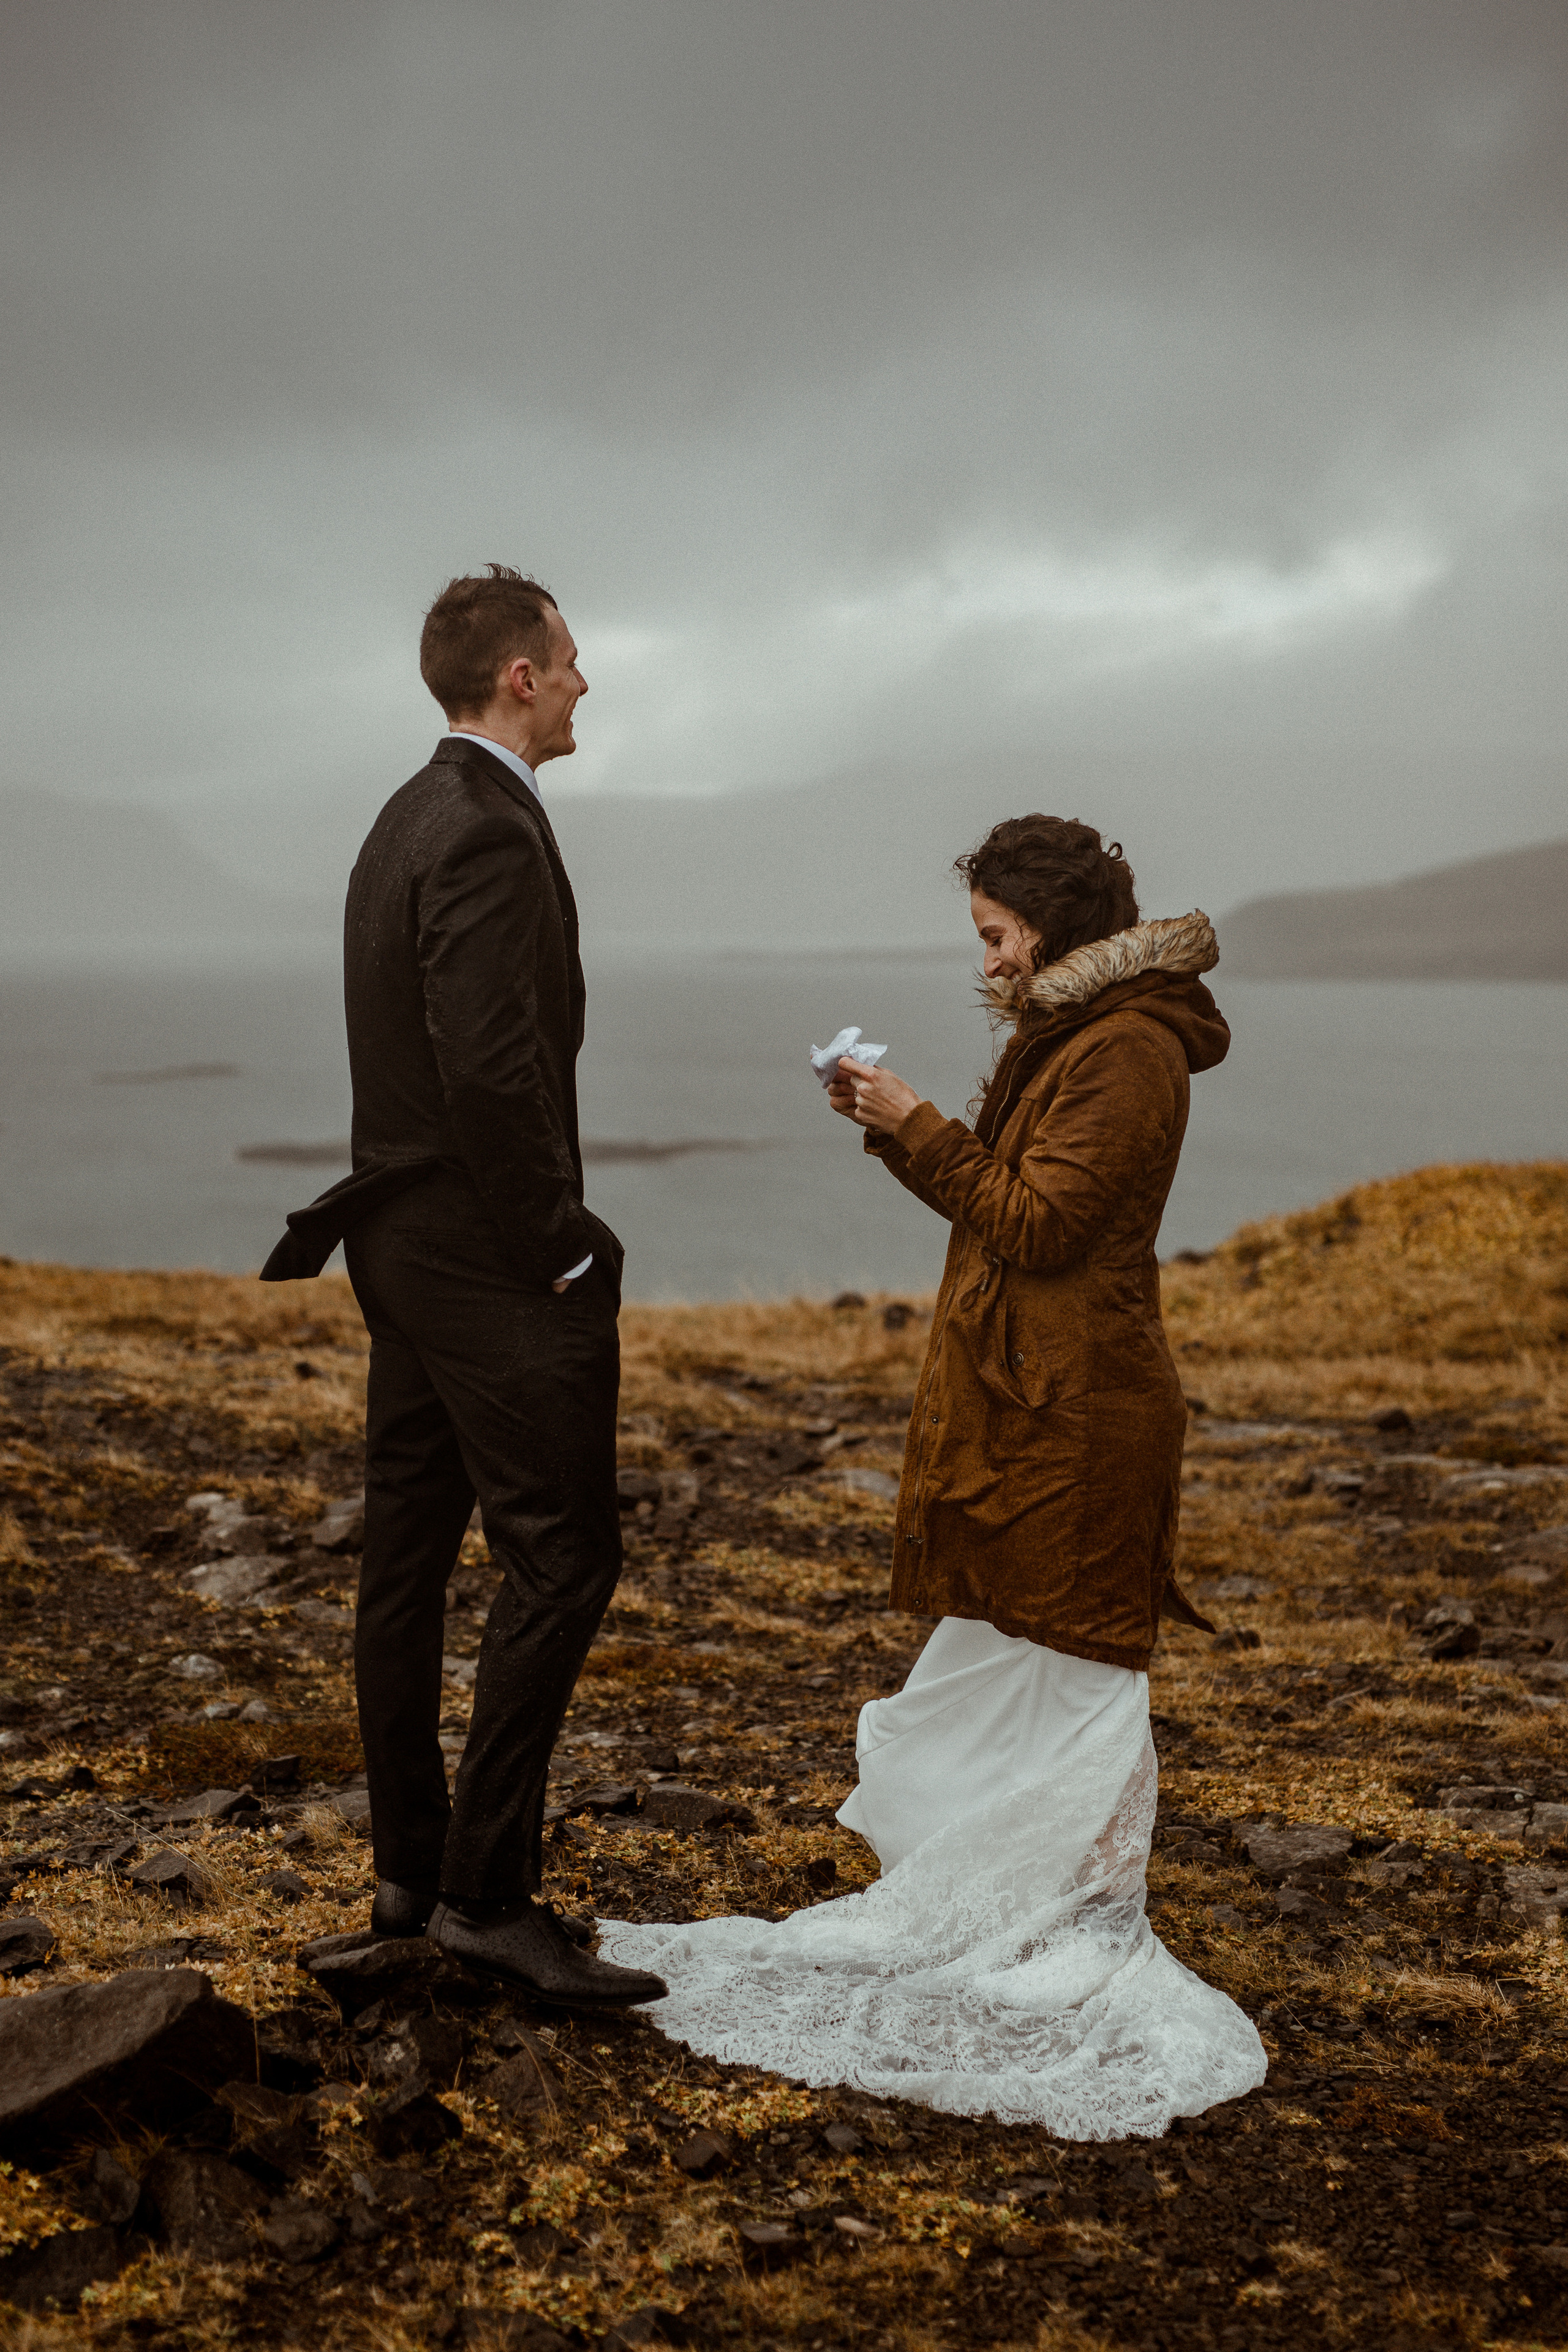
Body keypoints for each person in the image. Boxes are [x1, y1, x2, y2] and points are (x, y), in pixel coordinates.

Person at [598, 816, 1265, 2133]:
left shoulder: (1124, 1051)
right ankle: (1001, 1894)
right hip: (1034, 1399)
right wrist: (895, 1127)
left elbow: (1040, 1223)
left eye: (995, 934)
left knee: (1078, 1662)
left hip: (1081, 1413)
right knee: (1005, 1651)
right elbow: (1002, 1205)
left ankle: (1084, 1925)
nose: (987, 959)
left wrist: (914, 1122)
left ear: (1052, 930)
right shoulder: (1073, 1034)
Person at [260, 565, 665, 2011]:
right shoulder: (486, 831)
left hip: (400, 1250)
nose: (582, 681)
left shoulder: (403, 816)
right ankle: (485, 1902)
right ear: (517, 677)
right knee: (562, 1560)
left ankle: (409, 1884)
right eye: (568, 659)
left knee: (409, 1559)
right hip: (485, 1258)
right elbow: (492, 1071)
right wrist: (560, 1240)